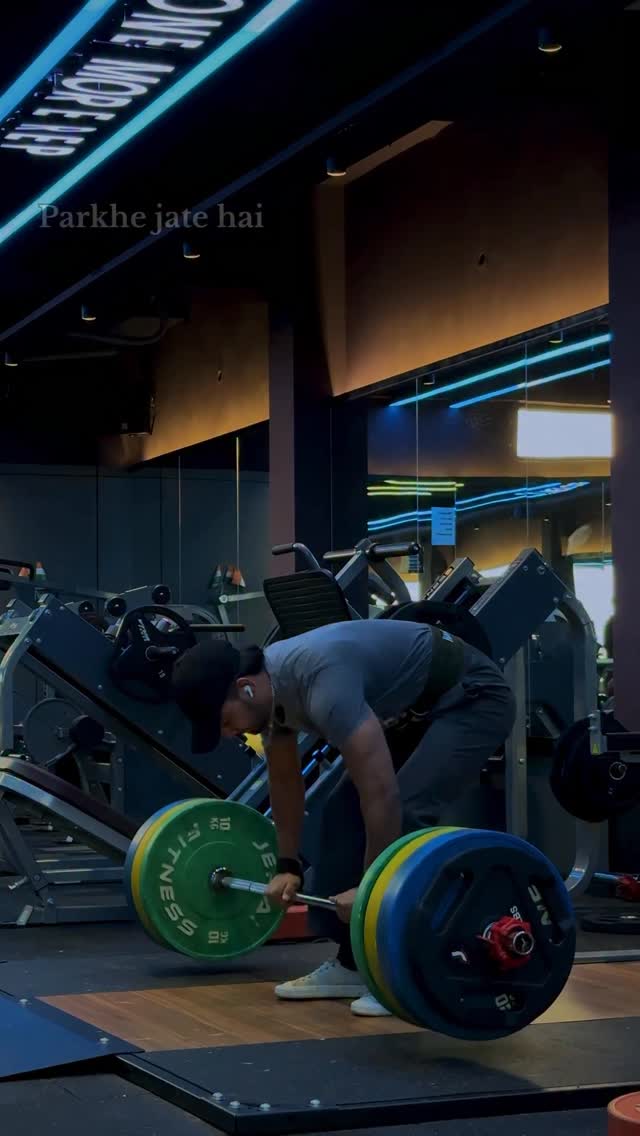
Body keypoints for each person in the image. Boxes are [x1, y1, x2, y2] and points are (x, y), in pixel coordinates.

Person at [171, 619, 516, 1017]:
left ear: (245, 687)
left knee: (405, 811)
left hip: (474, 699)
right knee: (339, 811)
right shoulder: (270, 697)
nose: (229, 733)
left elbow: (381, 793)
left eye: (226, 721)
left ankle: (401, 974)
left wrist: (371, 890)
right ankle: (354, 963)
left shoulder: (322, 685)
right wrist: (287, 865)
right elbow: (284, 781)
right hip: (415, 710)